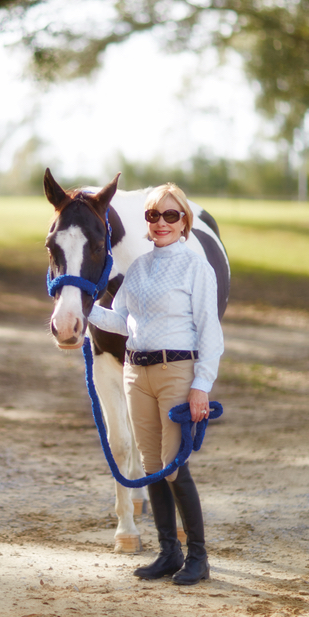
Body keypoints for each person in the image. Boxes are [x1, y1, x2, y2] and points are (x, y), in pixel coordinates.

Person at [88, 183, 224, 585]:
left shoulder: (196, 267)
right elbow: (120, 321)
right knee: (151, 469)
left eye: (170, 215)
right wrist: (83, 307)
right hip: (137, 373)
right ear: (146, 223)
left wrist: (201, 385)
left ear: (185, 221)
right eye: (153, 216)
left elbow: (209, 333)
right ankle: (169, 552)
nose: (161, 223)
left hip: (176, 373)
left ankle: (198, 557)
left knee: (173, 467)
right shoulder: (139, 270)